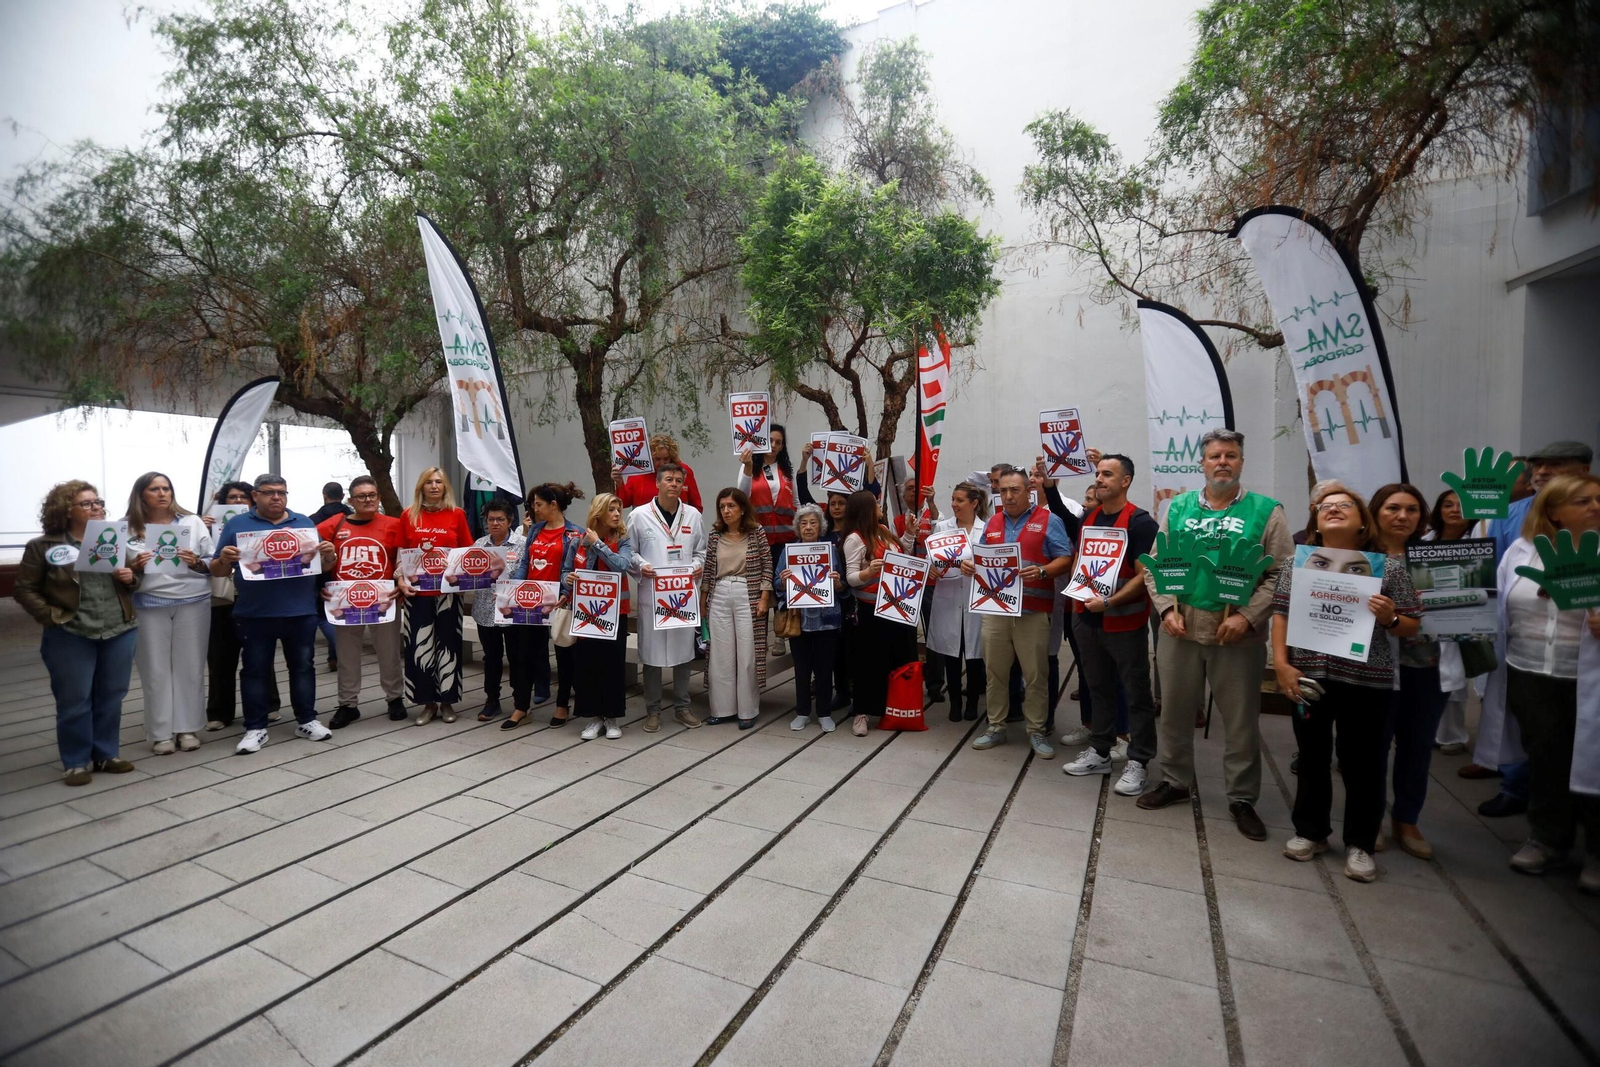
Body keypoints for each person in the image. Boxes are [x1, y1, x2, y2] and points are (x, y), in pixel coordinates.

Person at [1138, 429, 1292, 842]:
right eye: (1214, 456)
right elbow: (1157, 561)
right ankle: (1174, 780)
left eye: (1231, 455)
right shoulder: (1179, 507)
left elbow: (1281, 573)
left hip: (1236, 636)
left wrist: (1247, 614)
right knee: (1174, 712)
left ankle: (1242, 798)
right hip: (1181, 629)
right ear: (1202, 464)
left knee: (1240, 721)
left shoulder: (1267, 511)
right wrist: (1167, 608)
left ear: (1241, 462)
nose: (1222, 462)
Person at [1273, 483, 1422, 883]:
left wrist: (1390, 616)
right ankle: (1311, 832)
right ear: (1317, 525)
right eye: (1326, 506)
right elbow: (1282, 615)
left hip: (1366, 681)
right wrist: (1282, 665)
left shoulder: (1386, 567)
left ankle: (1360, 843)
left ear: (1362, 522)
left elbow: (1411, 624)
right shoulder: (1298, 564)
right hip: (1308, 676)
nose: (1334, 508)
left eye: (1345, 505)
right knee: (1312, 758)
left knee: (1364, 764)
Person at [1487, 473, 1600, 892]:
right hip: (1530, 671)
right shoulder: (1523, 550)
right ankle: (1548, 839)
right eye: (1583, 500)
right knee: (1547, 758)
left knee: (1593, 761)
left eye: (1598, 499)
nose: (1595, 507)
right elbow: (1500, 605)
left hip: (1588, 676)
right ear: (1553, 510)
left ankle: (1598, 850)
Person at [1469, 440, 1594, 814]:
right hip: (1526, 659)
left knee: (1583, 750)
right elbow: (1484, 571)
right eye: (1538, 466)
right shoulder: (1512, 524)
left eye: (1554, 465)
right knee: (1538, 743)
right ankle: (1528, 804)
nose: (1540, 472)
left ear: (1583, 472)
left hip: (1582, 665)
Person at [16, 482, 140, 785]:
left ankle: (106, 754)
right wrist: (50, 617)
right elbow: (24, 588)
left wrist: (130, 577)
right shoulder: (43, 546)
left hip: (117, 628)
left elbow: (131, 581)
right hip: (70, 631)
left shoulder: (112, 539)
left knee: (112, 695)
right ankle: (76, 761)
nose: (96, 507)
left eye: (98, 502)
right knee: (75, 699)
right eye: (86, 504)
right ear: (65, 510)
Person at [209, 473, 336, 753]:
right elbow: (217, 570)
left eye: (281, 492)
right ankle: (255, 728)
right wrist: (224, 559)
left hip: (299, 611)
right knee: (254, 671)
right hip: (254, 613)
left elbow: (323, 568)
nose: (276, 497)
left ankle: (307, 720)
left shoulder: (303, 523)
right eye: (269, 492)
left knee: (303, 667)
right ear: (256, 496)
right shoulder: (238, 525)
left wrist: (329, 555)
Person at [1061, 454, 1160, 799]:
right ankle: (1101, 751)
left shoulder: (1141, 523)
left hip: (1123, 622)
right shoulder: (1089, 518)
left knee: (1136, 694)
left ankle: (1139, 761)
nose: (1099, 479)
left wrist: (1110, 601)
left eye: (1107, 474)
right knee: (1097, 687)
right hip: (1085, 619)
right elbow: (1079, 561)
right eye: (1098, 473)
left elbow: (1146, 574)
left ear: (1126, 481)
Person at [962, 466, 1074, 757]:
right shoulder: (994, 522)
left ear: (1029, 491)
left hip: (1033, 612)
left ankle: (1036, 730)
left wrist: (1041, 571)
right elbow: (982, 557)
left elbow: (1066, 558)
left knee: (1036, 675)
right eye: (1003, 491)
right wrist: (971, 565)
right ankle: (996, 726)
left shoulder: (1049, 520)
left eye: (1015, 490)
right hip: (996, 611)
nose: (1008, 496)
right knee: (995, 673)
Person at [1370, 483, 1448, 859]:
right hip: (1373, 667)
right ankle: (1370, 818)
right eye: (1393, 508)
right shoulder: (1362, 555)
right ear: (1376, 511)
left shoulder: (1437, 557)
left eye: (1413, 510)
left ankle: (1407, 818)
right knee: (1372, 746)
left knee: (1417, 747)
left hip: (1426, 666)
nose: (1403, 516)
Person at [124, 472, 214, 754]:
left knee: (190, 667)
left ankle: (187, 729)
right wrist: (135, 567)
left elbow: (212, 560)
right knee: (155, 670)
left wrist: (197, 562)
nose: (162, 493)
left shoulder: (192, 522)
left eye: (167, 488)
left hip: (193, 600)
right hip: (148, 602)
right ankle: (161, 733)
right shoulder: (125, 528)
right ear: (141, 495)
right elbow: (115, 572)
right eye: (155, 489)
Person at [315, 475, 407, 727]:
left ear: (378, 497)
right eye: (361, 496)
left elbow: (402, 558)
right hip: (345, 602)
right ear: (350, 500)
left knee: (389, 653)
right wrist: (322, 585)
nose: (368, 500)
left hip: (383, 601)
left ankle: (394, 698)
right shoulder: (334, 524)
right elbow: (313, 556)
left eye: (372, 495)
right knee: (346, 656)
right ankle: (348, 704)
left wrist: (400, 582)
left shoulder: (393, 524)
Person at [627, 462, 708, 732]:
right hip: (653, 595)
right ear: (658, 483)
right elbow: (629, 552)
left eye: (678, 480)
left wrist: (697, 566)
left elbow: (701, 551)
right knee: (651, 653)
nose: (674, 484)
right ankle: (653, 710)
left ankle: (682, 707)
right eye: (669, 480)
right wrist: (641, 566)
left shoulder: (694, 515)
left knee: (683, 651)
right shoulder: (639, 515)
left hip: (681, 596)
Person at [397, 467, 475, 726]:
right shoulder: (409, 515)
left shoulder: (457, 515)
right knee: (420, 648)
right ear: (421, 487)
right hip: (417, 593)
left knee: (449, 647)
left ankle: (447, 702)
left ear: (445, 487)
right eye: (428, 482)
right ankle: (427, 703)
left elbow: (467, 552)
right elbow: (401, 554)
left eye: (439, 482)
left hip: (447, 594)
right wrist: (400, 580)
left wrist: (465, 579)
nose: (433, 486)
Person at [203, 481, 280, 729]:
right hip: (222, 598)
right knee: (220, 656)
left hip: (256, 597)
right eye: (232, 497)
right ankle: (219, 712)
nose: (237, 501)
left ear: (254, 499)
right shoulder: (206, 525)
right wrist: (201, 529)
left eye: (243, 497)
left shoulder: (265, 523)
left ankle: (269, 705)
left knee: (261, 654)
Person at [839, 489, 916, 736]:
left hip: (896, 607)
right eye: (875, 503)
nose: (880, 505)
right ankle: (861, 713)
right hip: (871, 610)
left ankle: (891, 708)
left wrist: (910, 533)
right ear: (866, 508)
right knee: (868, 662)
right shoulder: (855, 538)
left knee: (894, 659)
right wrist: (869, 572)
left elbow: (901, 550)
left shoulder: (882, 530)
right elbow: (850, 577)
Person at [509, 482, 585, 728]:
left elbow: (573, 569)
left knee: (564, 654)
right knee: (525, 655)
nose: (534, 509)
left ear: (554, 505)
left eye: (538, 504)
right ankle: (522, 706)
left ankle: (562, 705)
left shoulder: (575, 533)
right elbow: (525, 562)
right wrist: (514, 587)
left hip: (560, 602)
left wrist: (565, 592)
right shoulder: (535, 530)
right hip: (530, 601)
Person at [562, 493, 633, 739]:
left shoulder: (622, 540)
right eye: (611, 509)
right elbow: (566, 571)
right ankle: (594, 718)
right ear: (599, 512)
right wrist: (567, 580)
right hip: (586, 614)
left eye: (618, 510)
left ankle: (612, 718)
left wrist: (598, 544)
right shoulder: (577, 541)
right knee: (588, 665)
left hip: (615, 613)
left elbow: (622, 566)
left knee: (612, 665)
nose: (616, 514)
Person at [703, 487, 774, 728]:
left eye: (731, 506)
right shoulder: (715, 535)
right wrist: (703, 603)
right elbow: (708, 571)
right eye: (722, 506)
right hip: (720, 592)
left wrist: (764, 598)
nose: (726, 511)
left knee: (747, 654)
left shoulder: (756, 533)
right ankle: (722, 709)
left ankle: (748, 710)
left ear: (743, 508)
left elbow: (767, 565)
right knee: (720, 655)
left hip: (748, 593)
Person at [777, 503, 845, 732]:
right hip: (800, 621)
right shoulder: (788, 552)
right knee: (802, 670)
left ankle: (824, 712)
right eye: (803, 523)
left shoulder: (831, 551)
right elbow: (777, 582)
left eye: (813, 523)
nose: (808, 527)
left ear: (820, 527)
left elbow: (843, 586)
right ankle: (803, 711)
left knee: (825, 669)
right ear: (797, 527)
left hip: (826, 620)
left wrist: (837, 583)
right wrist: (784, 581)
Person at [1426, 488, 1482, 755]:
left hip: (1462, 616)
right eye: (1447, 504)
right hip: (1423, 618)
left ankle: (1452, 735)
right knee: (1428, 676)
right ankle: (1427, 730)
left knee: (1454, 676)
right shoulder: (1422, 541)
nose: (1454, 509)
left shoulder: (1479, 541)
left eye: (1461, 505)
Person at [926, 482, 988, 723]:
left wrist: (977, 568)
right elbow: (932, 559)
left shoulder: (988, 529)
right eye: (952, 499)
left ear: (974, 503)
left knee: (974, 656)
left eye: (959, 500)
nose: (954, 504)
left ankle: (972, 702)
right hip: (949, 598)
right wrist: (930, 568)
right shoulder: (942, 527)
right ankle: (954, 702)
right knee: (951, 655)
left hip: (975, 599)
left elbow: (994, 563)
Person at [465, 499, 528, 723]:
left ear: (510, 520)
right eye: (490, 519)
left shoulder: (522, 543)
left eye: (500, 519)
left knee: (516, 658)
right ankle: (492, 700)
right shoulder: (479, 544)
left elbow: (528, 575)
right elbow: (468, 574)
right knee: (491, 657)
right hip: (485, 611)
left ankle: (520, 703)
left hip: (513, 611)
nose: (495, 523)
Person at [739, 424, 797, 551]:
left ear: (782, 447)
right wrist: (748, 467)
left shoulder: (787, 471)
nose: (774, 445)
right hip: (758, 536)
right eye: (770, 440)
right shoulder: (748, 467)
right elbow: (742, 497)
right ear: (763, 442)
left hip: (787, 537)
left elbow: (795, 502)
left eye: (778, 442)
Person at [615, 433, 703, 511]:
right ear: (649, 458)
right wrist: (619, 482)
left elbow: (697, 506)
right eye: (657, 459)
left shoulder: (683, 471)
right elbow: (623, 503)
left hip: (678, 526)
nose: (662, 463)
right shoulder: (639, 473)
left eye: (666, 459)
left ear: (672, 457)